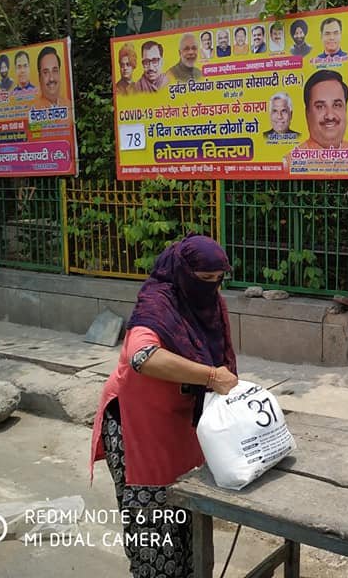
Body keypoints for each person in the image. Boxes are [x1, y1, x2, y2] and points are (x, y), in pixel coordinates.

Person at [90, 236, 238, 578]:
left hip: (182, 422)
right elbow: (141, 356)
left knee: (189, 523)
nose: (213, 288)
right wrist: (210, 375)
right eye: (205, 280)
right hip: (138, 425)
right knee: (155, 529)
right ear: (183, 274)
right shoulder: (157, 305)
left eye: (219, 280)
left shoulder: (211, 304)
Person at [294, 70, 348, 150]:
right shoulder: (292, 158)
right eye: (320, 107)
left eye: (337, 105)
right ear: (307, 113)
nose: (330, 116)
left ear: (345, 109)